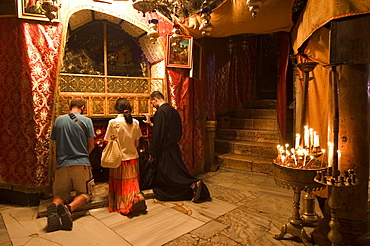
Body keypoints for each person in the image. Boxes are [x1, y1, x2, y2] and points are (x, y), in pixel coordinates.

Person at [143, 91, 211, 202]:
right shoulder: (173, 111)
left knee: (171, 175)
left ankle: (193, 183)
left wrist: (152, 152)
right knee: (177, 172)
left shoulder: (160, 112)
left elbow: (158, 134)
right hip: (173, 147)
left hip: (165, 150)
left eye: (152, 103)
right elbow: (167, 129)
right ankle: (193, 186)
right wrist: (151, 123)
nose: (152, 105)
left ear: (155, 99)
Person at [49, 98, 95, 231]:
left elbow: (55, 147)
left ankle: (55, 206)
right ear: (83, 108)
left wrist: (56, 166)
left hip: (62, 164)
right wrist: (83, 156)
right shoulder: (86, 121)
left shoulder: (58, 121)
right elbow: (91, 145)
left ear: (70, 107)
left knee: (60, 195)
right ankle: (68, 208)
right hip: (81, 163)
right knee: (86, 194)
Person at [104, 98, 146, 216]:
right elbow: (137, 143)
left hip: (119, 159)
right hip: (133, 157)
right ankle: (136, 198)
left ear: (116, 108)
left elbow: (108, 141)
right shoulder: (136, 122)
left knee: (121, 185)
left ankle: (125, 205)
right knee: (132, 183)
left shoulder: (113, 123)